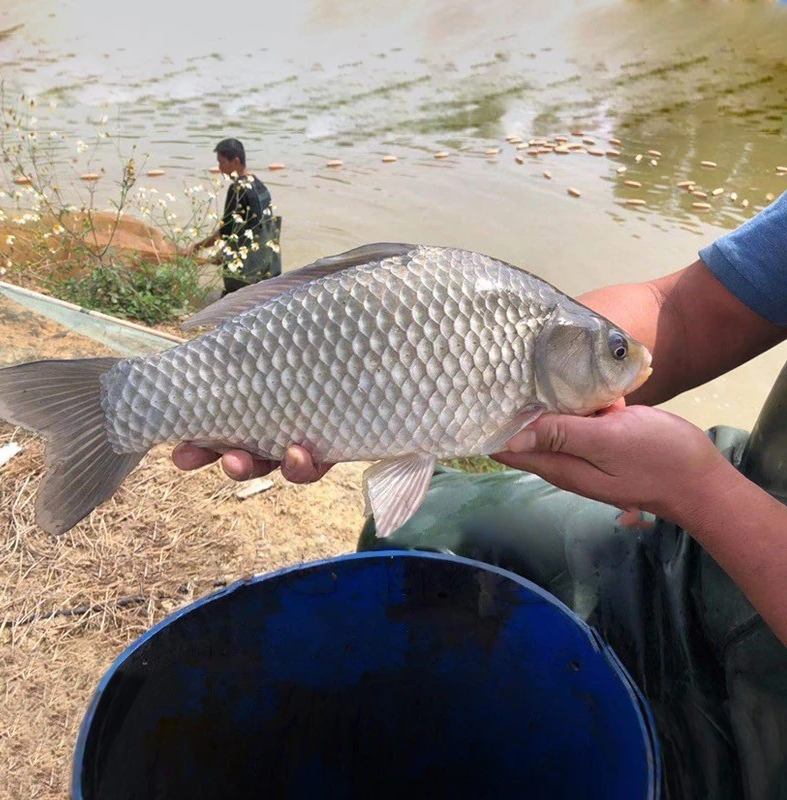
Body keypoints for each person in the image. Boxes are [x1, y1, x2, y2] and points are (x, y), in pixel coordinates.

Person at [173, 192, 787, 798]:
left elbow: (684, 467)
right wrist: (379, 381)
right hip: (722, 502)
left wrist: (697, 491)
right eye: (616, 350)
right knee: (429, 535)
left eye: (617, 351)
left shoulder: (691, 481)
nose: (631, 358)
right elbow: (679, 309)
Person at [189, 138, 281, 295]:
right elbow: (256, 226)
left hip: (246, 273)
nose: (219, 168)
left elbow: (226, 232)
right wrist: (222, 252)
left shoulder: (237, 189)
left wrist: (196, 247)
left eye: (222, 162)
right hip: (269, 268)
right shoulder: (259, 185)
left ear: (236, 161)